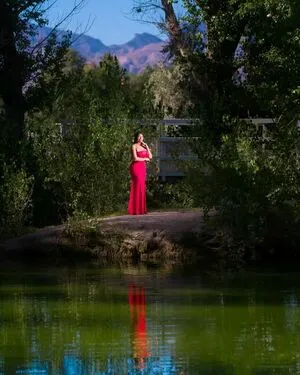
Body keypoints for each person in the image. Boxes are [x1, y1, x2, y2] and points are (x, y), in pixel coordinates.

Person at [128, 131, 152, 215]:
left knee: (142, 186)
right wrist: (145, 159)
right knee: (137, 185)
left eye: (142, 137)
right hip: (135, 167)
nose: (140, 138)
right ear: (136, 137)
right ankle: (135, 210)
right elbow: (135, 158)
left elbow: (150, 156)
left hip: (142, 168)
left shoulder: (144, 147)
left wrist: (147, 147)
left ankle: (141, 210)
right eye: (139, 137)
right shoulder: (133, 146)